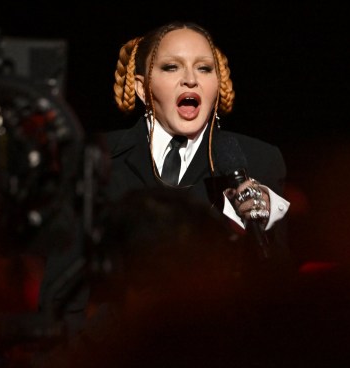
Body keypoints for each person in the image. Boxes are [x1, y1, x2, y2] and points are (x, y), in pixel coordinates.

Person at [37, 21, 291, 336]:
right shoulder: (95, 158)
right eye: (172, 67)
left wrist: (265, 220)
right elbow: (62, 296)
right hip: (115, 363)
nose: (190, 80)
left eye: (204, 69)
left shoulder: (256, 160)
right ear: (143, 89)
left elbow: (276, 288)